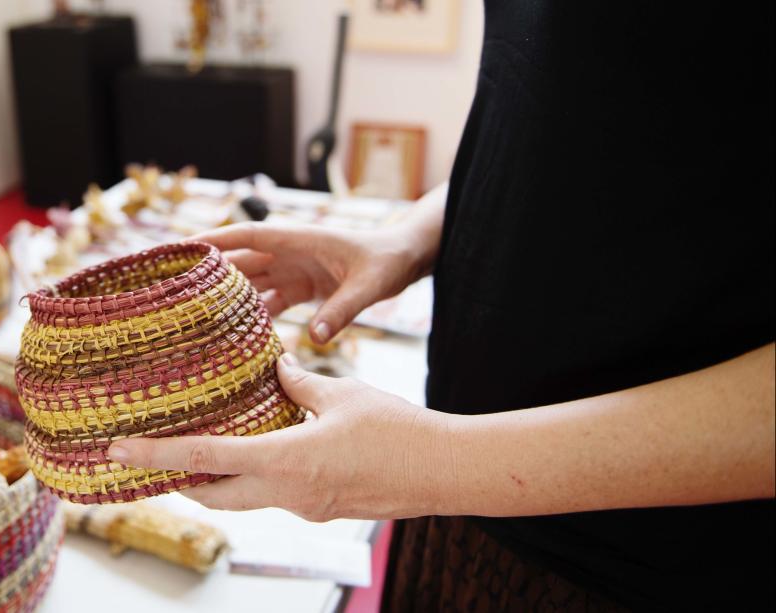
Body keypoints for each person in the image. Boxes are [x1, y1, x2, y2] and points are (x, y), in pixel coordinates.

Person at [106, 3, 775, 610]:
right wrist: (405, 238)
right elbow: (582, 119)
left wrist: (436, 463)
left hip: (639, 567)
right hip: (462, 512)